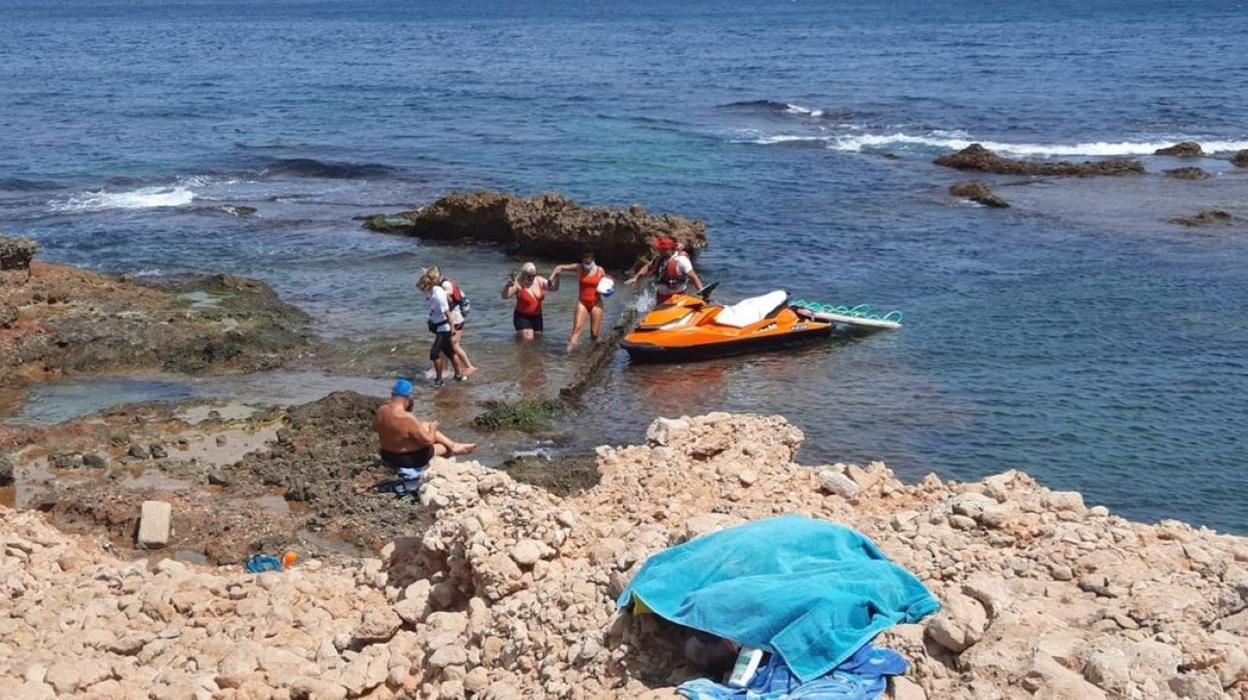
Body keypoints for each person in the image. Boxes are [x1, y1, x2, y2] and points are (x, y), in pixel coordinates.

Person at [373, 379, 475, 482]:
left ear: (392, 395)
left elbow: (376, 428)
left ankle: (453, 445)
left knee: (424, 425)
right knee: (443, 446)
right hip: (407, 460)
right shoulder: (407, 417)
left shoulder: (381, 410)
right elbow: (428, 441)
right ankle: (453, 449)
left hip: (387, 455)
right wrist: (434, 428)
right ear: (407, 398)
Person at [551, 251, 608, 353]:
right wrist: (553, 275)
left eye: (588, 261)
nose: (586, 264)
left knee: (594, 334)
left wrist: (608, 290)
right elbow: (560, 267)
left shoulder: (600, 270)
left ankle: (591, 353)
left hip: (596, 302)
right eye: (584, 261)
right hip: (582, 302)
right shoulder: (579, 267)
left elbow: (607, 283)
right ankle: (567, 355)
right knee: (576, 331)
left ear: (593, 259)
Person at [418, 269, 465, 386]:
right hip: (439, 327)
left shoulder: (439, 295)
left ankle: (439, 380)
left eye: (424, 285)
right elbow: (417, 285)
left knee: (434, 353)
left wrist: (452, 330)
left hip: (444, 329)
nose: (422, 288)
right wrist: (425, 276)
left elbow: (448, 314)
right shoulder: (432, 291)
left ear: (430, 284)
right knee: (449, 352)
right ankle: (459, 375)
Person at [626, 236, 704, 305]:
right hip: (661, 296)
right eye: (660, 249)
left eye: (663, 250)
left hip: (678, 296)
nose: (660, 251)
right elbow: (647, 267)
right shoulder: (658, 258)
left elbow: (693, 277)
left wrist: (701, 291)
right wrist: (635, 278)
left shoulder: (681, 260)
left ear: (670, 250)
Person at [428, 265, 476, 376]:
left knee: (454, 345)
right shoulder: (437, 286)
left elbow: (449, 291)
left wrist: (439, 294)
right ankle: (444, 369)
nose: (431, 281)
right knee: (445, 346)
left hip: (455, 319)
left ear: (438, 276)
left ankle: (469, 366)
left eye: (432, 278)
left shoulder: (445, 284)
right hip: (447, 320)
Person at [501, 261, 549, 341]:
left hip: (537, 316)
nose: (531, 278)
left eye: (533, 276)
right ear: (523, 275)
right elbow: (505, 296)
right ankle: (521, 351)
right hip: (522, 316)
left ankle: (520, 344)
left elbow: (554, 287)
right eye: (529, 276)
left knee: (538, 340)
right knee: (528, 339)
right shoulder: (518, 285)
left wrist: (557, 274)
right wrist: (507, 286)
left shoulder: (539, 280)